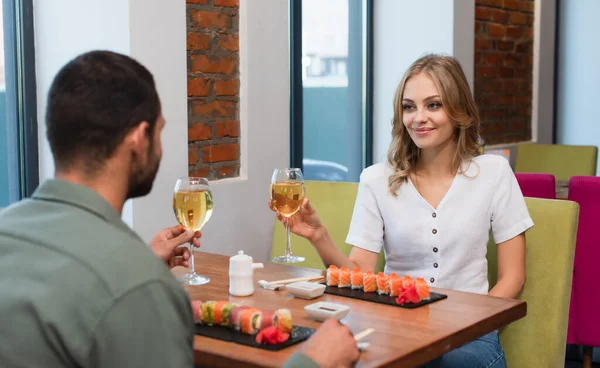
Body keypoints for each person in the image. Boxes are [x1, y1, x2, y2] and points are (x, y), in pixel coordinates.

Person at [0, 50, 359, 368]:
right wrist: (314, 363)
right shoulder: (139, 288)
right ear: (139, 139)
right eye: (159, 132)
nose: (159, 146)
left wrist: (139, 265)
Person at [271, 54, 534, 368]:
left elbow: (513, 278)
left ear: (459, 110)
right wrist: (319, 236)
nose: (418, 117)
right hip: (395, 323)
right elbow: (360, 275)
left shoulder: (494, 172)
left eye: (433, 105)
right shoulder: (376, 179)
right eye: (409, 107)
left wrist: (468, 322)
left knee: (457, 362)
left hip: (471, 330)